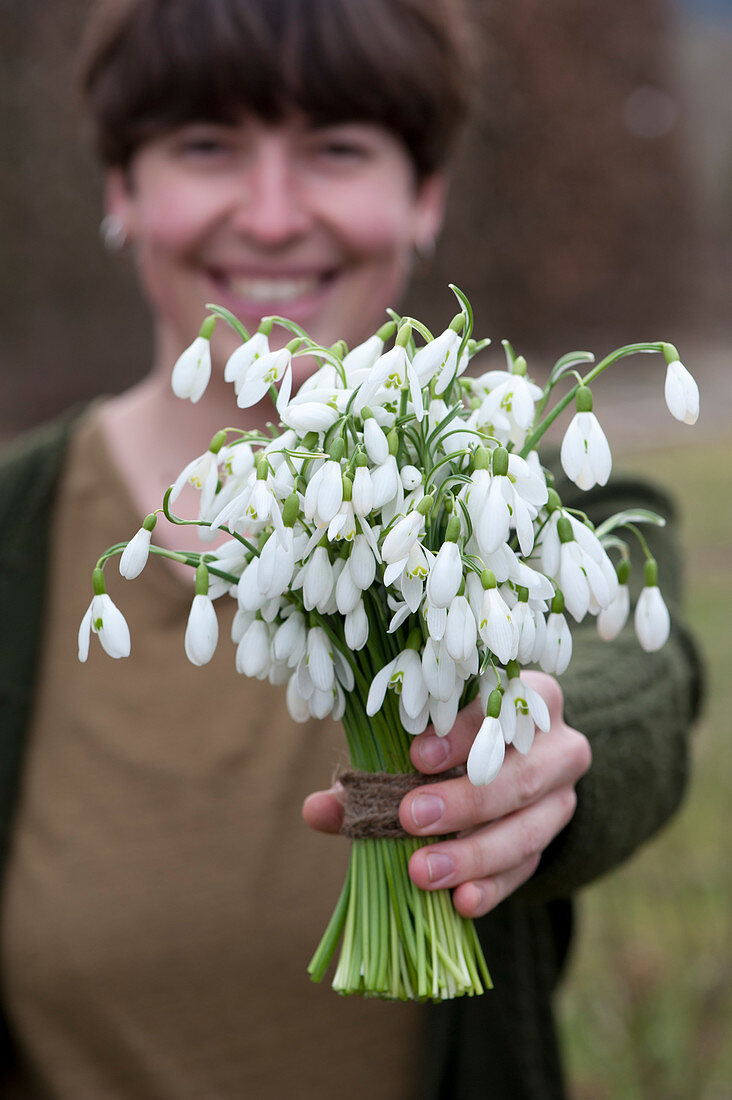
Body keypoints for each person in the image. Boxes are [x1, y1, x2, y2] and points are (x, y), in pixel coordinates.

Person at [0, 1, 702, 1097]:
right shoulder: (16, 530)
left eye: (335, 147)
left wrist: (555, 750)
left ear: (424, 195)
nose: (273, 217)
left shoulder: (534, 490)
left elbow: (642, 670)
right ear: (120, 189)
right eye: (206, 144)